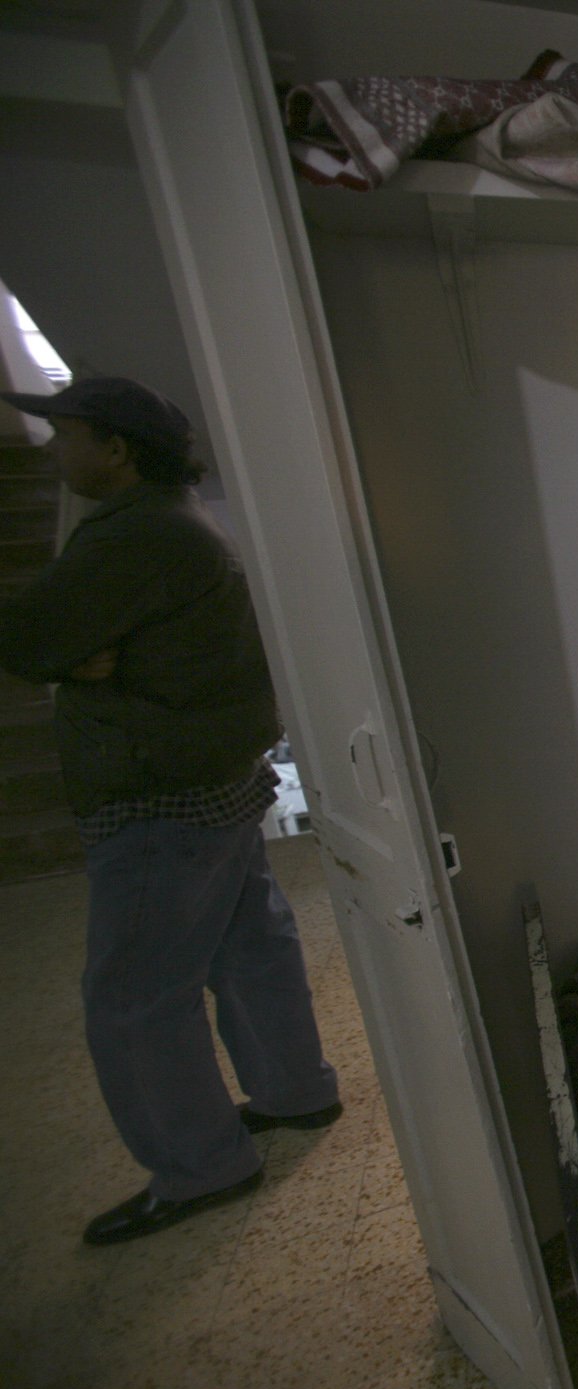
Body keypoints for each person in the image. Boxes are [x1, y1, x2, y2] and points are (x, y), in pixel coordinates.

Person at [0, 377, 341, 1246]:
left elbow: (25, 636)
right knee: (248, 946)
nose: (56, 451)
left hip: (159, 790)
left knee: (134, 995)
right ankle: (295, 1089)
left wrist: (71, 664)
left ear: (115, 450)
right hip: (212, 776)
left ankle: (202, 1165)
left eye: (67, 435)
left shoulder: (135, 535)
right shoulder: (179, 521)